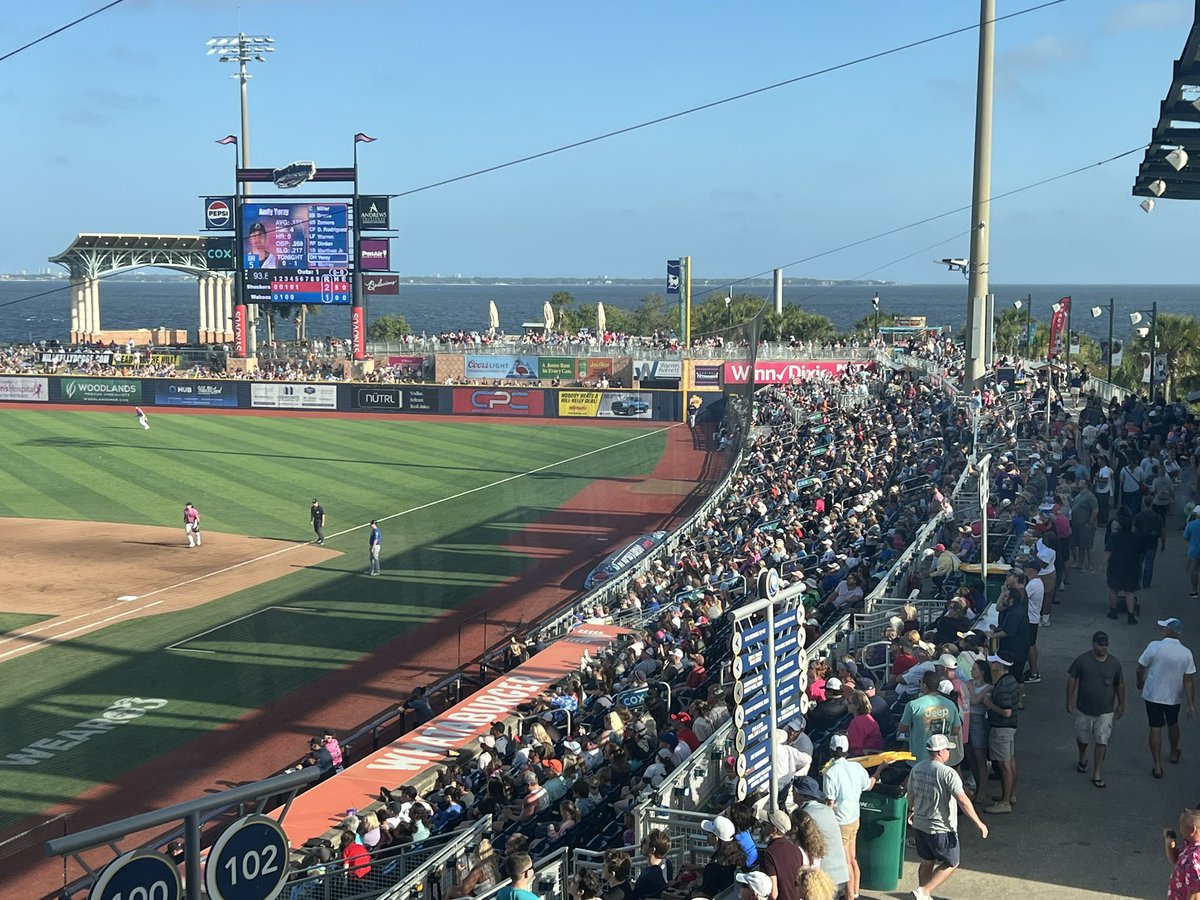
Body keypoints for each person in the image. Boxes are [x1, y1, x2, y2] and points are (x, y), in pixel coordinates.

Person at [907, 734, 989, 900]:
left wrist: (911, 811)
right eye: (947, 749)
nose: (949, 752)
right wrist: (979, 823)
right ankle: (923, 891)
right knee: (952, 862)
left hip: (920, 824)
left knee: (926, 861)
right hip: (941, 827)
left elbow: (911, 794)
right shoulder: (949, 773)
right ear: (939, 752)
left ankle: (924, 894)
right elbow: (963, 800)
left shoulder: (917, 768)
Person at [822, 734, 886, 900]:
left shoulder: (830, 773)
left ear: (830, 750)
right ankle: (855, 894)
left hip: (840, 822)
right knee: (852, 858)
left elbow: (830, 802)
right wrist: (881, 768)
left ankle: (850, 897)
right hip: (854, 819)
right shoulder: (856, 767)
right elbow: (870, 784)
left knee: (845, 863)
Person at [1138, 618, 1197, 779]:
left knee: (1155, 728)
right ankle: (1173, 752)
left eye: (1164, 628)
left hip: (1153, 695)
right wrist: (1191, 703)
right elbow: (1188, 680)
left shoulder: (1155, 646)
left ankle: (1157, 766)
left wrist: (1139, 681)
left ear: (1169, 631)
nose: (1162, 630)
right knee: (1173, 723)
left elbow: (1141, 666)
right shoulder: (1186, 653)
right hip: (1173, 697)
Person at [1066, 630, 1125, 788]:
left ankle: (1097, 773)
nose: (1103, 648)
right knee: (1083, 738)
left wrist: (1121, 704)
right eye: (1100, 645)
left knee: (1102, 741)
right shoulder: (1083, 660)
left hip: (1106, 711)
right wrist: (1069, 700)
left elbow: (1119, 684)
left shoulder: (1115, 663)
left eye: (1105, 645)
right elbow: (1072, 679)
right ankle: (1082, 755)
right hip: (1084, 709)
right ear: (1093, 644)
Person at [791, 777, 848, 892]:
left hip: (824, 879)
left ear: (799, 794)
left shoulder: (805, 816)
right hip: (842, 875)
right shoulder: (827, 810)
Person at [981, 654, 1019, 813]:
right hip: (1010, 728)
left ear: (1001, 665)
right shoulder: (1010, 680)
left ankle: (1005, 803)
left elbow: (1006, 712)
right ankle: (1009, 795)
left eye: (994, 661)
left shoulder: (1002, 686)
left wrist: (989, 704)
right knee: (1009, 762)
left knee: (1004, 765)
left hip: (1001, 728)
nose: (991, 663)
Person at [897, 671, 962, 764]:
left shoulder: (913, 705)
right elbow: (956, 731)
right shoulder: (950, 704)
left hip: (918, 758)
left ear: (924, 685)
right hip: (942, 758)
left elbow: (902, 728)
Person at [1165, 807, 1200, 900]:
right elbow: (1175, 860)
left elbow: (1195, 894)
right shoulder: (1190, 845)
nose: (1180, 830)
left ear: (1193, 830)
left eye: (1181, 826)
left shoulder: (1193, 858)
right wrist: (1170, 843)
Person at [631, 829, 673, 900]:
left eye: (644, 842)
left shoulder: (647, 876)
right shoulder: (668, 864)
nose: (641, 843)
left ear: (652, 850)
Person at [1188, 508, 1200, 599]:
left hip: (1194, 551)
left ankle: (1194, 591)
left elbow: (1186, 536)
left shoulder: (1191, 524)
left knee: (1194, 571)